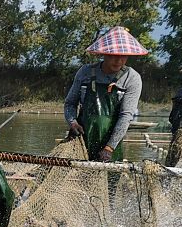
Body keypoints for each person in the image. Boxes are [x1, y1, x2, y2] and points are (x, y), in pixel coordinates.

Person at [63, 26, 147, 161]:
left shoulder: (132, 78)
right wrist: (72, 122)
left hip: (111, 144)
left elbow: (125, 116)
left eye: (123, 56)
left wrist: (109, 147)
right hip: (81, 140)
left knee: (110, 179)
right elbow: (70, 103)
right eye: (113, 55)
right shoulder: (85, 72)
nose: (118, 61)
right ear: (104, 53)